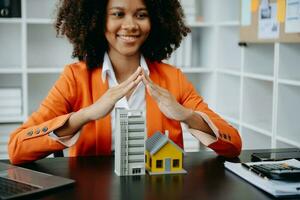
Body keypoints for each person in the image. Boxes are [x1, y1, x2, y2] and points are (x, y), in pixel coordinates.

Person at [8, 0, 242, 164]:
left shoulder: (173, 78)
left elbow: (234, 145)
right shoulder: (74, 78)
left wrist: (186, 115)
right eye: (118, 14)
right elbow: (17, 148)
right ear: (98, 20)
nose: (130, 25)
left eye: (141, 15)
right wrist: (85, 115)